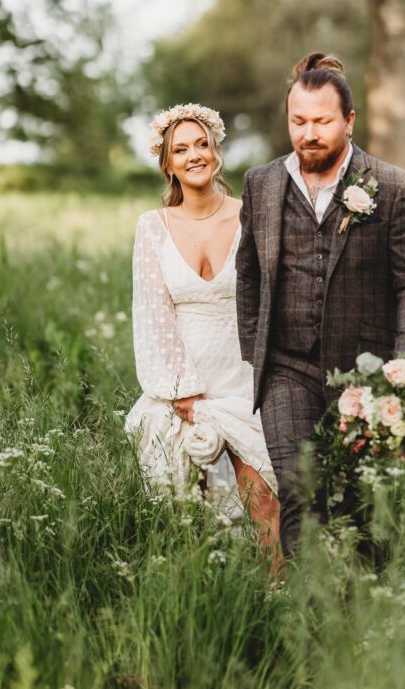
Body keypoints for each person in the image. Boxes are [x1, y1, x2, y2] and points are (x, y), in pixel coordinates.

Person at [235, 53, 405, 556]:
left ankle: (365, 619)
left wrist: (404, 364)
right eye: (298, 121)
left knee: (359, 506)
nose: (308, 133)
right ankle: (310, 622)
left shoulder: (393, 188)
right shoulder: (261, 184)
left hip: (363, 375)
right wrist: (254, 348)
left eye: (322, 121)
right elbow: (248, 272)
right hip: (287, 368)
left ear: (349, 121)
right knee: (300, 491)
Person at [125, 102, 281, 568]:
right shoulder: (152, 227)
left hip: (245, 380)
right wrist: (182, 393)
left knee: (265, 496)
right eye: (180, 149)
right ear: (167, 163)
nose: (194, 155)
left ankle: (280, 601)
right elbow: (153, 314)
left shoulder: (251, 215)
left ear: (216, 151)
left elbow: (275, 297)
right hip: (181, 385)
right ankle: (204, 601)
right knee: (186, 507)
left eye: (201, 144)